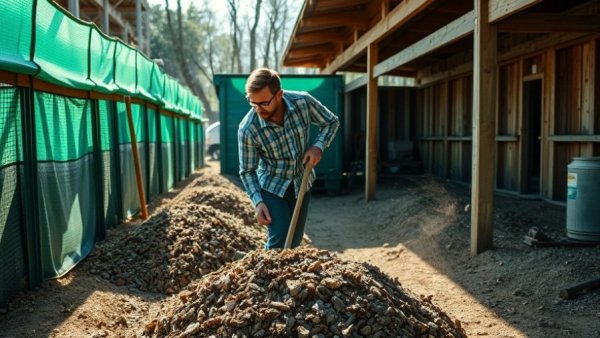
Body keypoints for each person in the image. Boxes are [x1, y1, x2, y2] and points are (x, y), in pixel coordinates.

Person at [238, 68, 340, 249]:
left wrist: (318, 146)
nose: (258, 109)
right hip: (272, 187)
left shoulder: (303, 102)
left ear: (279, 95)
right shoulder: (248, 129)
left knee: (293, 241)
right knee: (279, 240)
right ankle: (264, 275)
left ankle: (276, 270)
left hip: (302, 181)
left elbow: (331, 122)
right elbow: (247, 171)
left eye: (264, 103)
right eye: (253, 103)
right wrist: (258, 202)